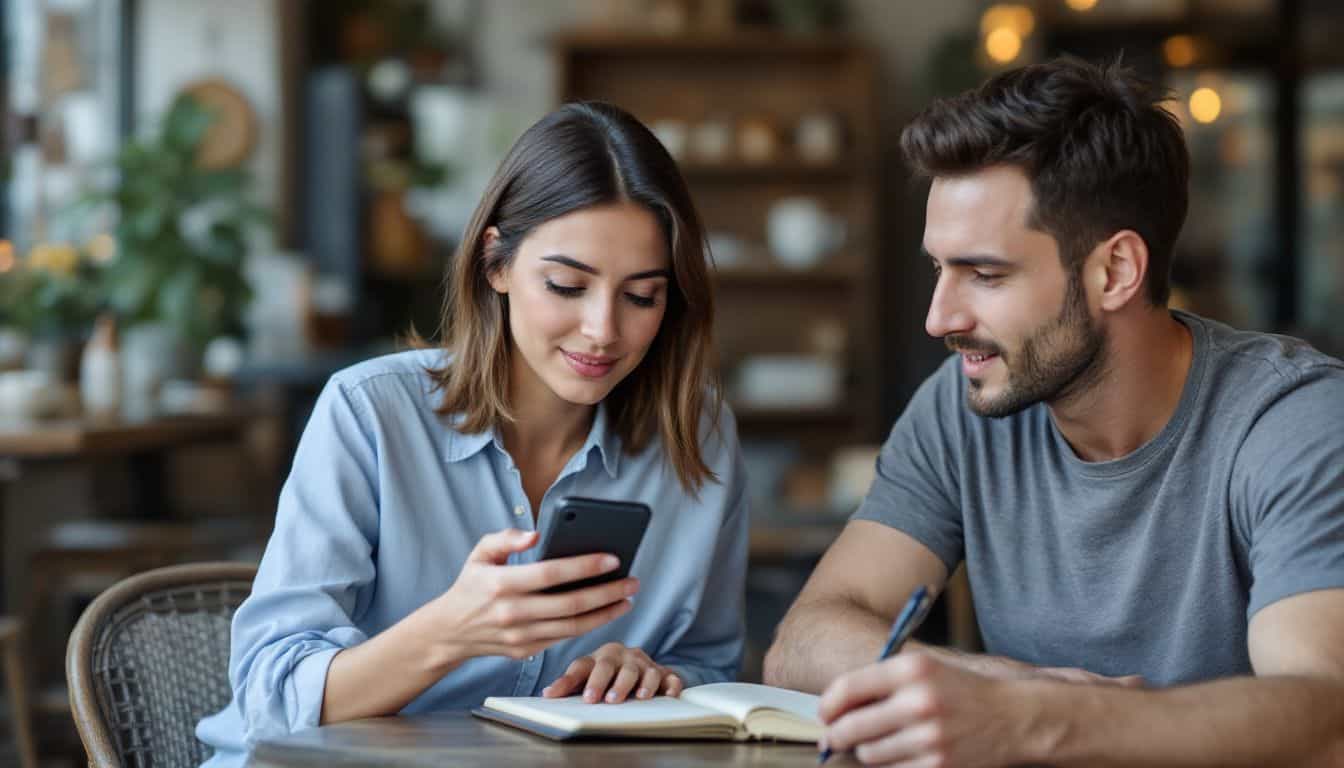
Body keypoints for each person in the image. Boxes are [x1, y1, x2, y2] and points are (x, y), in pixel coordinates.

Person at [764, 57, 1344, 767]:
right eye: (937, 270)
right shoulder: (959, 405)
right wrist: (1003, 687)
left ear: (1115, 271)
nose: (938, 317)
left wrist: (1037, 721)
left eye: (985, 274)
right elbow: (801, 643)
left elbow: (1325, 714)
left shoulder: (1295, 421)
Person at [197, 102, 748, 766]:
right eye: (567, 285)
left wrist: (658, 678)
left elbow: (712, 665)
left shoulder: (697, 437)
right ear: (496, 263)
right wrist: (451, 632)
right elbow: (269, 699)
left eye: (641, 297)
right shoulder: (371, 413)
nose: (604, 329)